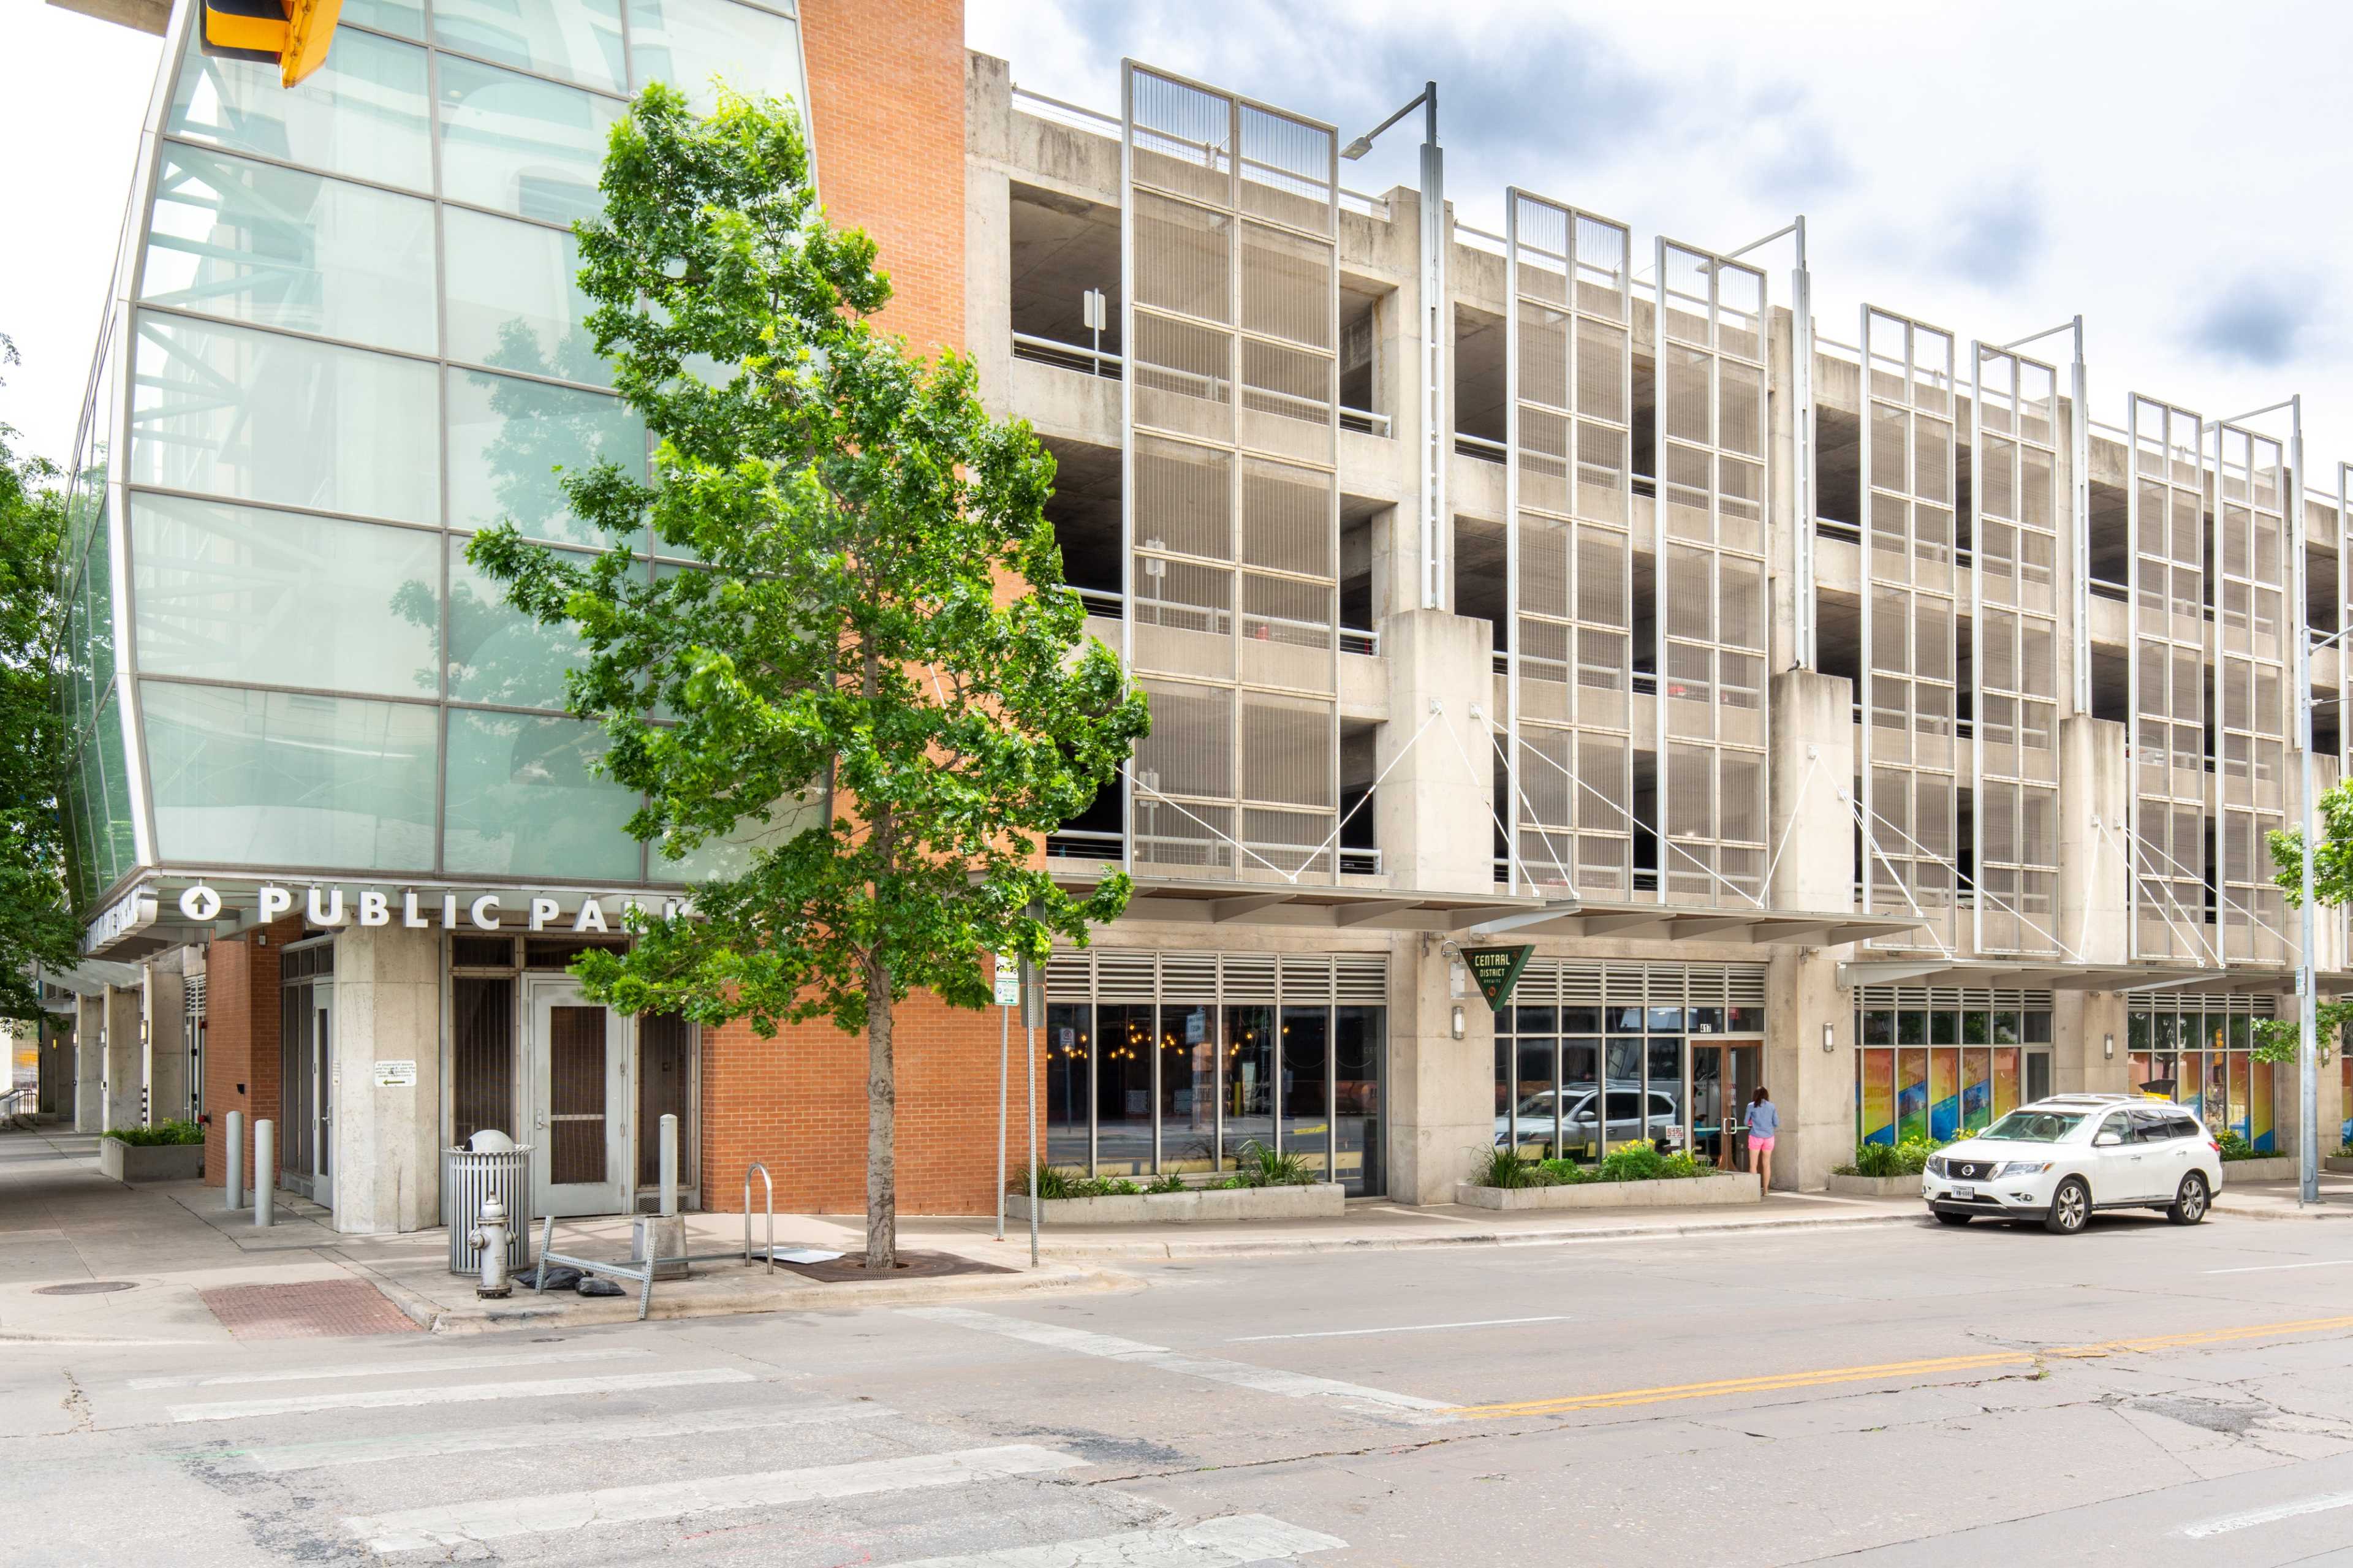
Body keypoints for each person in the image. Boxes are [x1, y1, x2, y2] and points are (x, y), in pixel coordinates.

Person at [1745, 1086, 1779, 1191]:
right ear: (1766, 1095)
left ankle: (1754, 1191)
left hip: (1755, 1136)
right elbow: (1776, 1123)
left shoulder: (1751, 1106)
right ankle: (1766, 1190)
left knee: (1753, 1165)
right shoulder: (1772, 1106)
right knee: (1767, 1164)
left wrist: (1752, 1123)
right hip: (1769, 1137)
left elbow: (1746, 1122)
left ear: (1755, 1095)